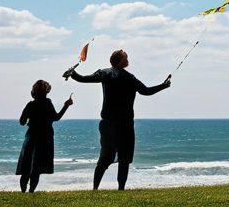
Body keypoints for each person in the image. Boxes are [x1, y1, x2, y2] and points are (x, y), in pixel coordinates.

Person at [64, 48, 171, 190]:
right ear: (120, 61)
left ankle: (95, 188)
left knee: (104, 158)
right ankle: (121, 189)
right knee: (124, 159)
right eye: (126, 58)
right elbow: (146, 91)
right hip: (125, 124)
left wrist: (72, 73)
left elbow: (83, 79)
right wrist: (163, 86)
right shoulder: (130, 78)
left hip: (108, 123)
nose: (128, 60)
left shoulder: (104, 73)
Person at [15, 80, 72, 192]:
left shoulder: (30, 105)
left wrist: (29, 119)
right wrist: (66, 106)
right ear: (46, 92)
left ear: (33, 93)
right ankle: (31, 192)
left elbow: (22, 121)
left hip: (31, 136)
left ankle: (23, 192)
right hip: (45, 137)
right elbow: (56, 117)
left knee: (27, 165)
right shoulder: (47, 103)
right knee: (37, 167)